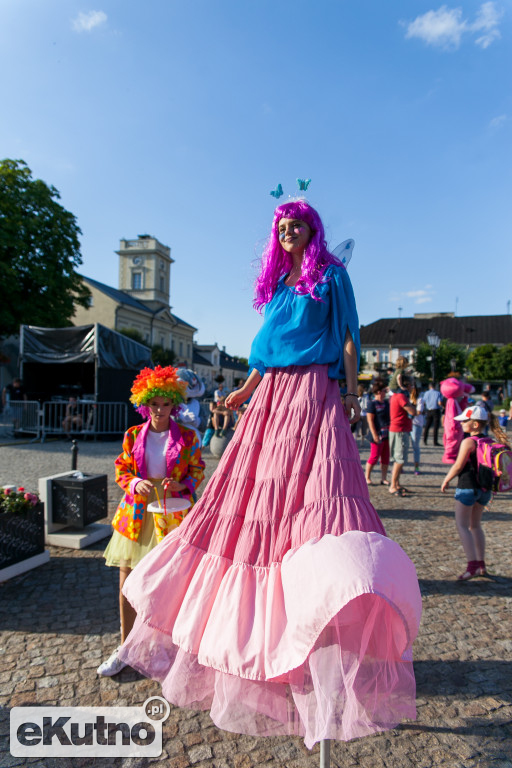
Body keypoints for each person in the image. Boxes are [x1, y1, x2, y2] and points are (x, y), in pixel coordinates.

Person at [117, 200, 421, 748]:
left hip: (311, 394)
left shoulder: (330, 276)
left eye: (296, 225)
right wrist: (243, 388)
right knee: (254, 508)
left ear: (313, 229)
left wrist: (350, 393)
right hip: (270, 398)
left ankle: (329, 601)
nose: (287, 232)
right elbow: (265, 355)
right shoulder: (280, 286)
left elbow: (348, 337)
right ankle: (262, 633)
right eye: (281, 227)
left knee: (317, 498)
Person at [97, 365, 205, 676]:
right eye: (154, 404)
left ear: (175, 404)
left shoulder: (187, 437)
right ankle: (125, 646)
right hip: (137, 514)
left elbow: (197, 470)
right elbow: (122, 469)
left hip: (173, 513)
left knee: (173, 581)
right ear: (145, 404)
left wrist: (182, 484)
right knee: (127, 579)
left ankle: (169, 645)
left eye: (165, 404)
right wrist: (133, 483)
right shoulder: (132, 435)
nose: (159, 410)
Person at [441, 405, 510, 580]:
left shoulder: (468, 442)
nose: (462, 423)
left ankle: (471, 566)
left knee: (462, 525)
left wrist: (446, 479)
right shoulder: (488, 441)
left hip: (467, 488)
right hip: (485, 490)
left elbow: (458, 465)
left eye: (465, 420)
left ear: (475, 425)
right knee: (476, 525)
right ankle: (481, 565)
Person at [388, 375, 416, 496]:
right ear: (406, 385)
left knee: (399, 459)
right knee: (400, 459)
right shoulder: (401, 397)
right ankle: (393, 485)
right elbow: (412, 411)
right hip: (400, 430)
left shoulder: (397, 396)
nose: (413, 387)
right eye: (411, 384)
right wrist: (414, 404)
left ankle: (397, 483)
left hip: (398, 429)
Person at [365, 380, 390, 485]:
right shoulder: (372, 404)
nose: (386, 392)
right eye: (384, 390)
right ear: (379, 392)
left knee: (385, 457)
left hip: (386, 434)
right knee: (374, 456)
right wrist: (375, 434)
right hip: (377, 435)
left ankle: (383, 478)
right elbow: (370, 420)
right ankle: (367, 477)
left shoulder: (386, 403)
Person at [410, 385, 424, 475]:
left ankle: (416, 466)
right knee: (404, 446)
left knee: (415, 446)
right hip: (408, 423)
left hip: (416, 424)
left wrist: (409, 413)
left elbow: (419, 412)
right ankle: (400, 466)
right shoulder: (407, 399)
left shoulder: (419, 399)